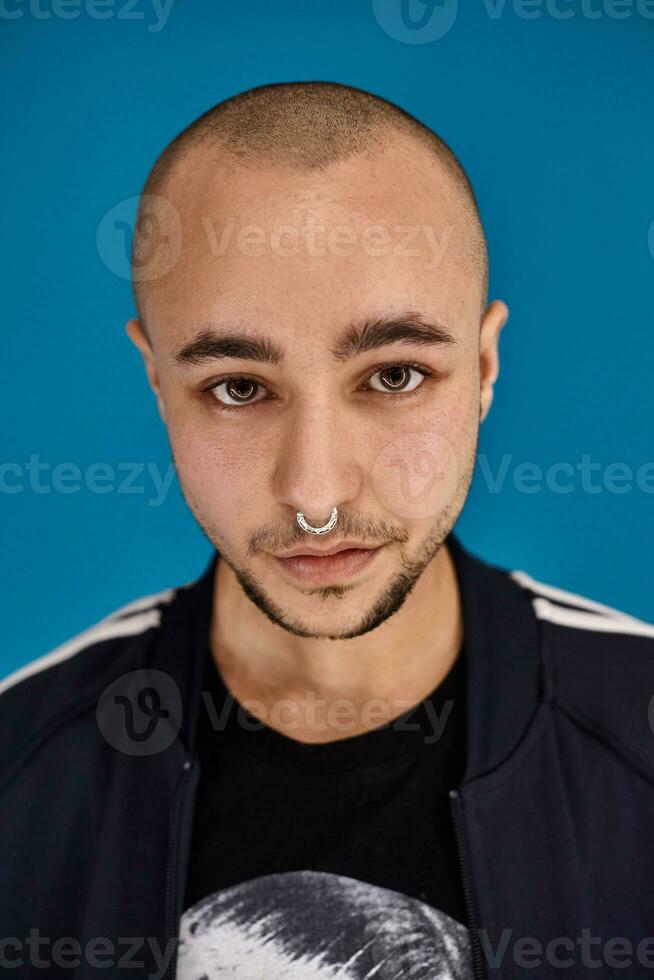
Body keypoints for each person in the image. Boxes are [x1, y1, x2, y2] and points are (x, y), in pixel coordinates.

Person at [2, 82, 654, 980]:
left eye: (393, 377)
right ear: (159, 387)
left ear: (485, 369)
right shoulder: (19, 771)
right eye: (238, 387)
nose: (314, 493)